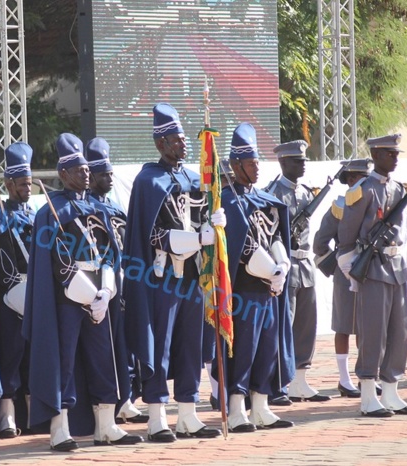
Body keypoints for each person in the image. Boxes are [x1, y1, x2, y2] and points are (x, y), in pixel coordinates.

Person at [23, 133, 141, 451]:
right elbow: (61, 263)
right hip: (68, 297)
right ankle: (60, 428)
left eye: (87, 168)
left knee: (104, 359)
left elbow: (110, 256)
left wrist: (105, 291)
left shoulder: (97, 208)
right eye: (78, 168)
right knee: (63, 361)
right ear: (63, 174)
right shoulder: (50, 212)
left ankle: (106, 425)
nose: (86, 173)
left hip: (99, 295)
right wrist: (92, 296)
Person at [123, 103, 223, 442]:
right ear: (162, 143)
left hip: (193, 276)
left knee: (189, 347)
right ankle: (156, 417)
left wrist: (216, 220)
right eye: (178, 140)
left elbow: (204, 212)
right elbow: (152, 235)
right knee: (161, 347)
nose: (185, 145)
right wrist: (196, 237)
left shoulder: (195, 179)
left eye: (184, 139)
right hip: (163, 277)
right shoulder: (148, 181)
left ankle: (188, 414)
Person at [337, 134, 407, 417]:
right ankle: (367, 395)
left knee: (399, 331)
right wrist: (351, 268)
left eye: (397, 154)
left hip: (395, 267)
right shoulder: (363, 189)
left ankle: (391, 391)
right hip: (371, 268)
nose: (395, 158)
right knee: (373, 332)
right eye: (389, 154)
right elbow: (347, 235)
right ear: (375, 156)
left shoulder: (399, 189)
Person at [219, 123, 295, 432]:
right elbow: (244, 247)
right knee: (244, 349)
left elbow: (275, 236)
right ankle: (237, 407)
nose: (256, 168)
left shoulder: (264, 200)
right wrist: (271, 270)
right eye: (250, 163)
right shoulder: (228, 200)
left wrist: (283, 266)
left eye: (257, 162)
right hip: (245, 290)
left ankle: (261, 404)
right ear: (236, 165)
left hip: (269, 290)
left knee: (268, 348)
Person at [85, 137, 148, 425]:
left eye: (111, 173)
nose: (110, 178)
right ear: (92, 177)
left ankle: (127, 397)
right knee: (109, 346)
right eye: (104, 174)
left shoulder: (115, 207)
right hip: (99, 285)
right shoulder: (88, 209)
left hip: (124, 280)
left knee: (127, 344)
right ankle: (114, 402)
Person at [0, 142, 35, 438]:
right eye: (22, 183)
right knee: (10, 355)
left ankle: (32, 414)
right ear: (9, 183)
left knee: (32, 357)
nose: (27, 188)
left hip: (34, 297)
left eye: (29, 182)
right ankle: (6, 416)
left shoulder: (39, 216)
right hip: (7, 300)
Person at [267, 140, 329, 403]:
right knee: (284, 326)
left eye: (304, 160)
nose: (302, 164)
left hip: (305, 266)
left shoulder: (305, 192)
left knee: (306, 325)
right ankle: (277, 382)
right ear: (282, 163)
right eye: (296, 160)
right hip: (285, 264)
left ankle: (300, 382)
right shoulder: (272, 193)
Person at [312, 159, 371, 399]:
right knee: (344, 325)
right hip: (346, 272)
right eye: (359, 178)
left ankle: (365, 376)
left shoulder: (370, 202)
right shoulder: (339, 207)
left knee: (367, 327)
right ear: (350, 180)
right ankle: (344, 379)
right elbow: (319, 244)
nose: (363, 182)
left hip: (369, 270)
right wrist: (337, 265)